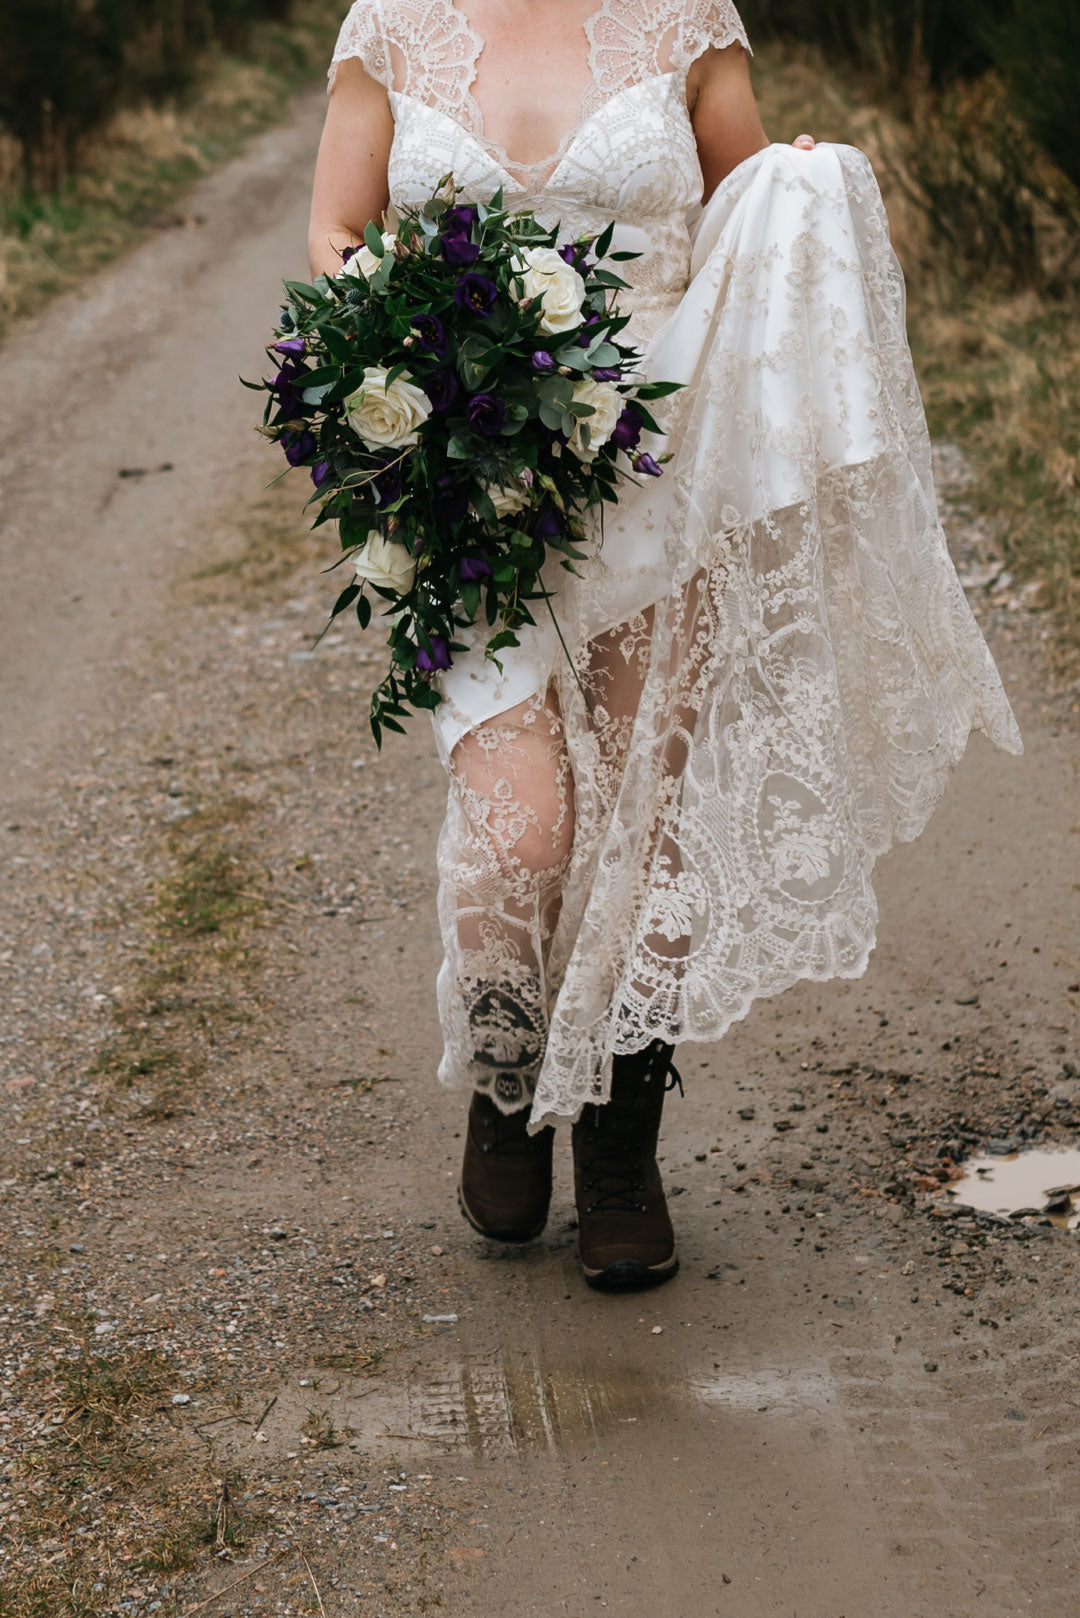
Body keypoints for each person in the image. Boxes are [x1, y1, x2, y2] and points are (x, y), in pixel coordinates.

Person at [307, 0, 1023, 1292]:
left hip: (657, 469)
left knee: (649, 805)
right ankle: (511, 1073)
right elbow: (338, 228)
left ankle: (623, 1140)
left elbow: (747, 197)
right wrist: (384, 354)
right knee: (523, 816)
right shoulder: (393, 24)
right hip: (473, 488)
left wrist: (796, 191)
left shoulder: (688, 17)